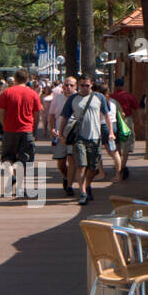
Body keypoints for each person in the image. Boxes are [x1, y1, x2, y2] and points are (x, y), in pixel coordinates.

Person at [60, 75, 112, 205]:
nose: (84, 88)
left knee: (93, 168)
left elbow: (107, 115)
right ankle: (83, 192)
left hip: (95, 137)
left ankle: (87, 185)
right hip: (79, 138)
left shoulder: (99, 97)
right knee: (81, 165)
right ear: (78, 85)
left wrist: (111, 132)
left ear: (91, 85)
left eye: (87, 85)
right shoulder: (73, 99)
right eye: (82, 85)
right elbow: (64, 117)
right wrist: (61, 134)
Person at [0, 68, 41, 195]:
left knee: (7, 157)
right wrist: (34, 129)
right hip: (26, 130)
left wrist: (5, 125)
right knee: (25, 159)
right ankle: (20, 185)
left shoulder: (6, 93)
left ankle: (11, 176)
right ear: (27, 80)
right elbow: (37, 115)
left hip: (10, 129)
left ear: (15, 78)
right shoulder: (33, 94)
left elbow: (0, 113)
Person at [49, 75, 78, 196]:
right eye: (66, 85)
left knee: (72, 159)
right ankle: (67, 177)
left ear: (75, 86)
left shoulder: (78, 98)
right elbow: (51, 115)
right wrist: (51, 129)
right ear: (62, 86)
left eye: (71, 85)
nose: (68, 87)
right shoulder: (57, 98)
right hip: (59, 133)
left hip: (73, 133)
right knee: (61, 162)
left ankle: (70, 185)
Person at [108, 78, 139, 180]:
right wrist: (139, 120)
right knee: (127, 143)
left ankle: (117, 163)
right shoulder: (128, 96)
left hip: (115, 121)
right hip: (126, 121)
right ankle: (123, 165)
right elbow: (136, 109)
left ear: (115, 85)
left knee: (117, 144)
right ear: (123, 85)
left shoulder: (111, 97)